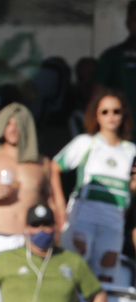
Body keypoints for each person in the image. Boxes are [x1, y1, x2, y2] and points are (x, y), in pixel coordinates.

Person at [51, 89, 136, 287]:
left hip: (113, 223)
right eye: (104, 112)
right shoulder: (85, 143)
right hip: (83, 218)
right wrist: (59, 202)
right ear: (95, 115)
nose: (111, 117)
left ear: (124, 114)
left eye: (116, 111)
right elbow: (53, 168)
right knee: (72, 273)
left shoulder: (131, 150)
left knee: (105, 278)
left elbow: (131, 188)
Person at [0, 103, 57, 269]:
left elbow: (53, 205)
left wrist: (55, 239)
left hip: (32, 241)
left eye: (19, 124)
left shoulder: (42, 164)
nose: (13, 129)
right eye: (9, 123)